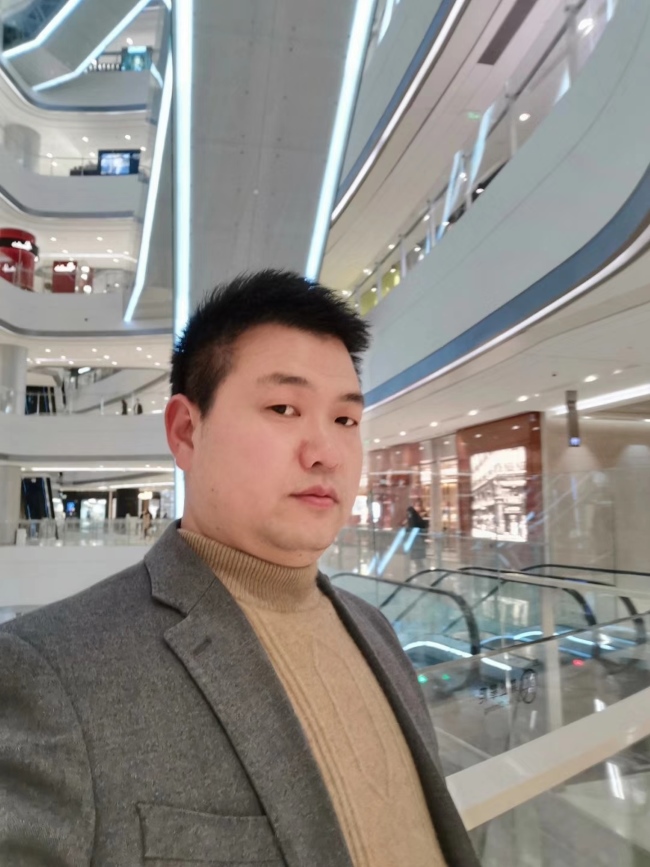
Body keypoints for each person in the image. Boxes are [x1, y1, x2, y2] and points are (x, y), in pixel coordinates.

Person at [0, 270, 479, 867]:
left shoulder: (375, 631)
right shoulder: (53, 673)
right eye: (284, 408)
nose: (325, 452)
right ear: (186, 431)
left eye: (345, 420)